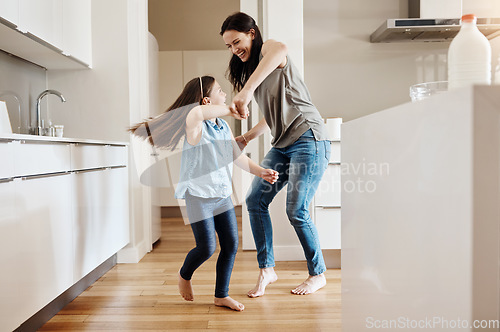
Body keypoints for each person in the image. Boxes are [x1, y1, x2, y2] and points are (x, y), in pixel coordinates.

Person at [129, 76, 279, 311]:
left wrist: (261, 172)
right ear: (207, 100)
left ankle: (221, 295)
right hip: (198, 196)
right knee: (207, 247)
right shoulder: (196, 126)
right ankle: (184, 275)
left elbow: (236, 156)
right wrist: (231, 110)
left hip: (221, 195)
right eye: (221, 91)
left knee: (230, 244)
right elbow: (197, 113)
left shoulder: (223, 127)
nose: (226, 94)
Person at [220, 12, 332, 297]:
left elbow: (281, 49)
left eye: (237, 42)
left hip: (308, 137)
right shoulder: (251, 70)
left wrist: (245, 92)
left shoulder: (270, 49)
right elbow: (273, 116)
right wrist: (246, 136)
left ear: (252, 34)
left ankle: (317, 274)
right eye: (229, 46)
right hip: (282, 144)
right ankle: (267, 269)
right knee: (255, 200)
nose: (235, 50)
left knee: (296, 210)